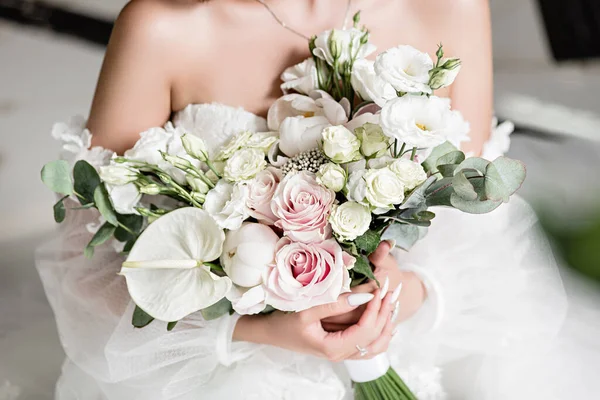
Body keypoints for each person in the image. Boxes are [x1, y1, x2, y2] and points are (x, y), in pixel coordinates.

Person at [36, 1, 573, 399]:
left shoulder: (450, 8)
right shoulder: (166, 26)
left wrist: (400, 295)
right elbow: (92, 266)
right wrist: (251, 328)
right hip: (212, 367)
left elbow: (480, 224)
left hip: (419, 346)